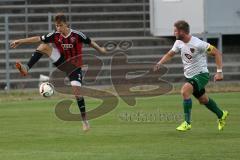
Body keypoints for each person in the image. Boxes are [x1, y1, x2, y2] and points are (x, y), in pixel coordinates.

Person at [10, 13, 107, 132]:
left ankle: (85, 121)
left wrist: (101, 50)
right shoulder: (56, 35)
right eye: (56, 26)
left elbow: (90, 42)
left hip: (74, 68)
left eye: (60, 25)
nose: (58, 28)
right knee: (43, 46)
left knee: (77, 93)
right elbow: (37, 38)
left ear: (66, 24)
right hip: (62, 62)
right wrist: (20, 41)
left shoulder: (77, 35)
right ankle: (26, 68)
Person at [154, 20, 228, 131]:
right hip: (190, 76)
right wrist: (160, 63)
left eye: (175, 31)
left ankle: (187, 122)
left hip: (201, 75)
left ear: (182, 32)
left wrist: (219, 72)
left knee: (185, 91)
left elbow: (217, 52)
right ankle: (221, 114)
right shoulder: (178, 42)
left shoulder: (198, 43)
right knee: (203, 100)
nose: (174, 33)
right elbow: (170, 54)